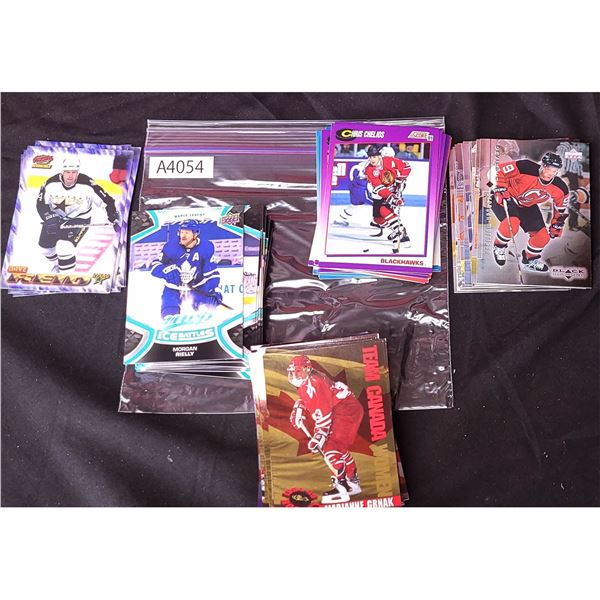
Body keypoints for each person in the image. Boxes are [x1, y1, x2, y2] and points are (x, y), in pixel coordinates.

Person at [288, 355, 364, 505]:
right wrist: (299, 405)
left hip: (345, 410)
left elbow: (324, 414)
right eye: (292, 371)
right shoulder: (309, 380)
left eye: (298, 371)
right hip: (345, 407)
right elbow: (314, 400)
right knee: (338, 447)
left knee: (329, 445)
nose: (295, 374)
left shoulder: (315, 383)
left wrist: (319, 436)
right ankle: (352, 481)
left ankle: (342, 485)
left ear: (307, 369)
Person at [36, 156, 119, 272]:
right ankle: (58, 266)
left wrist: (112, 216)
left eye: (74, 172)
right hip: (55, 219)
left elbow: (107, 201)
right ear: (62, 172)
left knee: (65, 247)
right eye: (67, 172)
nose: (70, 176)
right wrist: (49, 217)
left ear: (78, 173)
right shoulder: (50, 184)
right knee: (45, 249)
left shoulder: (88, 185)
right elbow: (40, 203)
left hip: (80, 219)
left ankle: (67, 275)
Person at [491, 152, 568, 273]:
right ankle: (499, 247)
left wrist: (556, 224)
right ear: (542, 165)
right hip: (508, 197)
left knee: (543, 237)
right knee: (512, 225)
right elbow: (500, 171)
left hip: (527, 205)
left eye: (554, 170)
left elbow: (560, 208)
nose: (550, 173)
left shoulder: (560, 187)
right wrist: (500, 187)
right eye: (548, 168)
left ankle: (530, 259)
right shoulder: (526, 167)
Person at [150, 220, 223, 318]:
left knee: (207, 312)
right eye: (182, 232)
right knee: (168, 316)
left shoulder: (206, 247)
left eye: (187, 232)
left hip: (198, 289)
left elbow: (211, 272)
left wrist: (214, 290)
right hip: (173, 289)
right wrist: (166, 270)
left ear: (195, 234)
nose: (183, 235)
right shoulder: (170, 246)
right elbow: (154, 266)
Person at [364, 145, 412, 244]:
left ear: (379, 156)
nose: (372, 159)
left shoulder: (389, 160)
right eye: (370, 157)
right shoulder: (369, 169)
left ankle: (400, 231)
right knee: (377, 219)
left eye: (374, 157)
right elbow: (379, 187)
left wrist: (400, 179)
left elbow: (407, 167)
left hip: (394, 188)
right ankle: (398, 229)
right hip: (381, 193)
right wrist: (392, 198)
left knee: (384, 210)